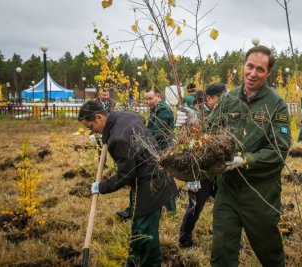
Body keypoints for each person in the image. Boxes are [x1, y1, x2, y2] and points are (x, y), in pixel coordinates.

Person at [208, 45, 291, 266]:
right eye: (250, 66)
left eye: (260, 70)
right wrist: (193, 125)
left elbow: (279, 151)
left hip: (259, 193)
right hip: (227, 189)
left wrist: (245, 160)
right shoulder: (228, 99)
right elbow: (210, 133)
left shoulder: (276, 105)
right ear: (243, 66)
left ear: (268, 73)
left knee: (270, 254)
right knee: (221, 253)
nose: (253, 73)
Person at [78, 100, 177, 266]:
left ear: (99, 117)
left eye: (90, 127)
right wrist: (104, 138)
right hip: (151, 176)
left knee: (143, 232)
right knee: (143, 229)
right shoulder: (125, 115)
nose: (91, 131)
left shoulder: (119, 138)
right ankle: (143, 263)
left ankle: (142, 263)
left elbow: (126, 175)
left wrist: (101, 187)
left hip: (151, 183)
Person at [177, 83, 226, 248]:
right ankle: (185, 238)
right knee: (194, 207)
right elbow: (184, 144)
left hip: (220, 171)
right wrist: (192, 175)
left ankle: (224, 238)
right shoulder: (198, 114)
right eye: (221, 98)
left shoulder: (225, 113)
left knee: (225, 208)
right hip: (201, 172)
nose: (225, 101)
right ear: (210, 98)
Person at [117, 86, 175, 220]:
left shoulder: (163, 111)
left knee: (142, 180)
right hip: (158, 150)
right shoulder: (156, 110)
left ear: (158, 97)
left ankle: (134, 211)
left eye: (150, 98)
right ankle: (170, 209)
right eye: (146, 99)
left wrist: (138, 136)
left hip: (159, 150)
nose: (148, 101)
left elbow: (157, 133)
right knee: (165, 180)